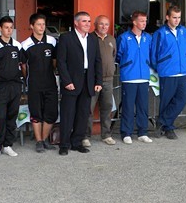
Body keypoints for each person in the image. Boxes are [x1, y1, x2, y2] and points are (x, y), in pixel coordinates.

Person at [56, 11, 103, 155]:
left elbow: (97, 61)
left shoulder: (93, 39)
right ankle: (64, 144)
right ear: (76, 23)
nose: (88, 24)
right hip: (71, 81)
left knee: (83, 114)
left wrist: (98, 81)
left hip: (88, 80)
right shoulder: (66, 38)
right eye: (84, 21)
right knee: (68, 114)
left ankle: (76, 142)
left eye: (89, 21)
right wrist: (66, 81)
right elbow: (61, 62)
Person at [0, 16, 24, 160]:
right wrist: (0, 77)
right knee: (1, 117)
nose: (9, 30)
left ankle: (8, 145)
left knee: (12, 116)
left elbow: (21, 64)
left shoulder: (17, 45)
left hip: (15, 86)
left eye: (11, 27)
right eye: (6, 27)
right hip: (1, 86)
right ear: (0, 29)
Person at [20, 13, 59, 153]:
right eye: (39, 24)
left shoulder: (52, 41)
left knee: (51, 113)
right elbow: (23, 66)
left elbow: (55, 61)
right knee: (36, 113)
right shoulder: (25, 45)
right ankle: (39, 142)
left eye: (43, 24)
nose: (42, 27)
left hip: (50, 83)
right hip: (34, 85)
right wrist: (29, 79)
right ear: (32, 26)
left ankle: (44, 139)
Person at [151, 5, 186, 140]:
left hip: (182, 72)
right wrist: (160, 67)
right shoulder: (160, 33)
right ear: (167, 17)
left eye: (179, 17)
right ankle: (168, 128)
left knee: (184, 98)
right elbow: (154, 53)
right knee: (166, 101)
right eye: (174, 17)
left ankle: (161, 121)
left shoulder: (184, 31)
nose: (177, 20)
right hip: (167, 72)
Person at [116, 10, 153, 144]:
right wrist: (127, 65)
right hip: (129, 77)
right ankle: (126, 133)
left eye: (145, 21)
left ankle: (143, 132)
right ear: (134, 22)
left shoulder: (148, 37)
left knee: (143, 106)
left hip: (144, 76)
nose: (144, 23)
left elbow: (151, 53)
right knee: (128, 106)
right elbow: (118, 55)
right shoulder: (124, 38)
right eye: (141, 21)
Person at [84, 15, 117, 146]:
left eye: (106, 24)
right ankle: (85, 136)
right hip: (93, 80)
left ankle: (106, 135)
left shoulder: (111, 39)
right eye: (101, 24)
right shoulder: (89, 38)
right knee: (88, 108)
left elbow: (113, 56)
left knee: (107, 108)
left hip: (108, 80)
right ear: (95, 25)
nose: (104, 27)